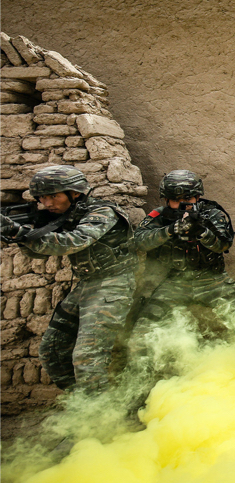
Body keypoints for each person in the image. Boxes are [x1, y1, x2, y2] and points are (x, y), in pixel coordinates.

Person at [0, 165, 137, 392]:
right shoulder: (66, 215)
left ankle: (100, 417)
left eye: (54, 196)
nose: (48, 203)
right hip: (87, 285)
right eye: (43, 197)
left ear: (75, 193)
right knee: (52, 350)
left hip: (114, 284)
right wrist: (20, 237)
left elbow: (74, 241)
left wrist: (19, 232)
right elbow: (37, 252)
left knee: (87, 357)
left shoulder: (101, 212)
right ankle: (82, 405)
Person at [128, 170, 235, 343]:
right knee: (141, 338)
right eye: (176, 200)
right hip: (173, 283)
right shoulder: (159, 216)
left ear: (197, 197)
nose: (183, 204)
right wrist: (170, 230)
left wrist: (202, 232)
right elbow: (138, 242)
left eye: (188, 199)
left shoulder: (212, 213)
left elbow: (224, 245)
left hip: (212, 281)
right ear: (167, 200)